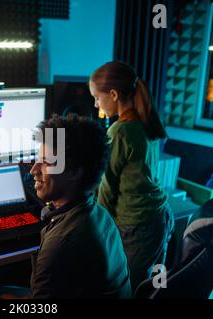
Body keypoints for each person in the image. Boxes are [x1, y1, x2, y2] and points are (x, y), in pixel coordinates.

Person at [89, 61, 174, 293]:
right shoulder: (146, 121)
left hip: (136, 225)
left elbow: (108, 186)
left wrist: (97, 227)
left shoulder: (120, 131)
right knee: (153, 286)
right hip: (160, 216)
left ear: (113, 94)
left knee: (127, 289)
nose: (96, 103)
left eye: (97, 97)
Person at [28, 113, 131, 298]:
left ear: (75, 172)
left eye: (46, 163)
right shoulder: (101, 215)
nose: (33, 170)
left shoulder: (60, 243)